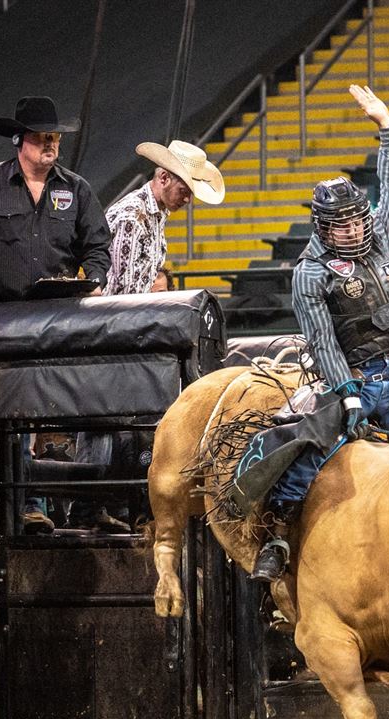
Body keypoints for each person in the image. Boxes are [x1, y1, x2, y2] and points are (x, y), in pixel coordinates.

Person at [251, 85, 389, 583]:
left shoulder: (377, 242)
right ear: (322, 227)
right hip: (355, 377)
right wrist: (347, 393)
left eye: (356, 220)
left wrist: (387, 128)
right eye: (342, 224)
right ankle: (277, 537)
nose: (352, 229)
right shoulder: (310, 273)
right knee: (310, 446)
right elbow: (322, 340)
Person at [0, 95, 112, 534]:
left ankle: (81, 503)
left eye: (55, 138)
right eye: (43, 137)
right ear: (20, 140)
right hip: (4, 315)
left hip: (59, 315)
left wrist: (94, 276)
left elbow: (97, 244)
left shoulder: (75, 189)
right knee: (13, 410)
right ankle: (25, 506)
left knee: (74, 404)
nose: (51, 145)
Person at [68, 138, 225, 533]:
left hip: (126, 333)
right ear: (163, 177)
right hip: (112, 334)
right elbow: (118, 292)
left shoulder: (153, 219)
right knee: (103, 424)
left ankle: (105, 507)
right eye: (185, 188)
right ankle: (86, 509)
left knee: (119, 427)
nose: (188, 198)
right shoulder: (131, 218)